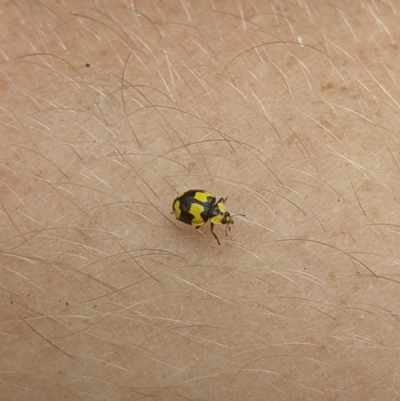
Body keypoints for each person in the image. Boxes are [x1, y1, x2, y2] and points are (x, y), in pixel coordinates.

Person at [1, 1, 399, 399]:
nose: (221, 217)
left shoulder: (208, 208)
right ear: (218, 213)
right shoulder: (204, 217)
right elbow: (186, 210)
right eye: (222, 217)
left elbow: (191, 204)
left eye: (220, 216)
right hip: (180, 204)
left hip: (182, 203)